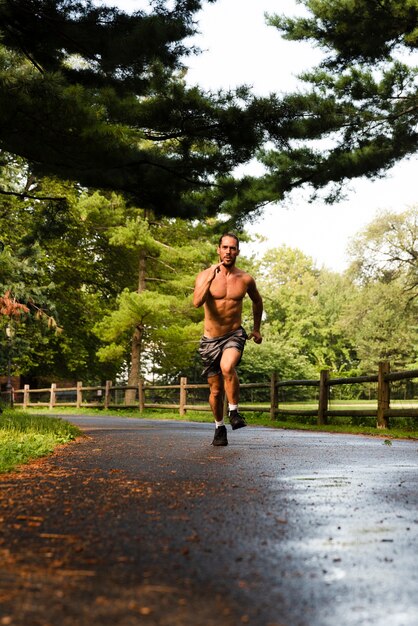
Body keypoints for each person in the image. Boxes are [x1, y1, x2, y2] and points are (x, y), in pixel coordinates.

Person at [193, 233, 263, 446]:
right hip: (210, 340)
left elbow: (257, 302)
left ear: (237, 252)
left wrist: (256, 329)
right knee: (215, 391)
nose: (228, 252)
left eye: (232, 248)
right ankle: (219, 427)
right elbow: (196, 302)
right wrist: (210, 280)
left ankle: (234, 412)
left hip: (234, 334)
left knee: (227, 366)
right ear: (218, 250)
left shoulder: (245, 279)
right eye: (225, 247)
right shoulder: (204, 275)